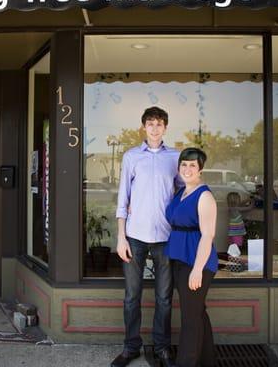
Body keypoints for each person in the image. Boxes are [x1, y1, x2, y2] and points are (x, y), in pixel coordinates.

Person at [111, 107, 182, 367]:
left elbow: (185, 193)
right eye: (150, 123)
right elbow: (122, 199)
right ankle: (131, 348)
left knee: (164, 297)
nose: (154, 128)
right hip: (134, 237)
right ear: (143, 127)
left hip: (165, 237)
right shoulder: (131, 157)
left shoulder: (175, 157)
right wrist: (121, 237)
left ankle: (162, 348)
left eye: (159, 123)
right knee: (132, 296)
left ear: (165, 128)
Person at [164, 147, 218, 367]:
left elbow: (208, 236)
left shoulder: (204, 196)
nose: (187, 169)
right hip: (179, 259)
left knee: (190, 318)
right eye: (184, 164)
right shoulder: (181, 192)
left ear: (200, 169)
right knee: (197, 313)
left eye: (192, 165)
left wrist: (197, 269)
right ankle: (207, 361)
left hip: (196, 263)